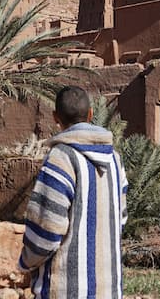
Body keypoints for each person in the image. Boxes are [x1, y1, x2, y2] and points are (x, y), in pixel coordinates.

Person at [18, 86, 128, 299]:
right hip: (108, 290)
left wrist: (25, 261)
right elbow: (121, 218)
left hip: (65, 291)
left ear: (55, 118)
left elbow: (46, 229)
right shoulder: (115, 160)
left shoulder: (60, 158)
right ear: (91, 114)